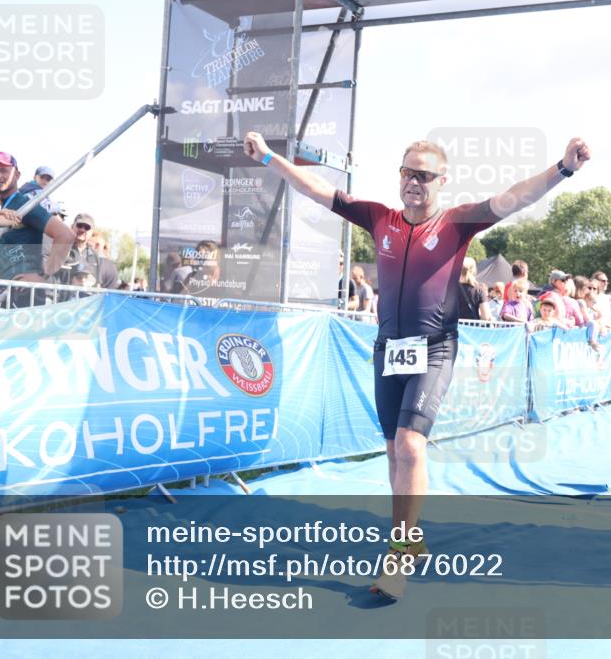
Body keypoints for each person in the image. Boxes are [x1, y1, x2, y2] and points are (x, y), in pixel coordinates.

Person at [243, 129, 591, 599]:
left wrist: (563, 168)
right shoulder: (380, 218)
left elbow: (513, 198)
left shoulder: (457, 223)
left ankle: (400, 551)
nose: (413, 182)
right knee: (393, 452)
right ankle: (411, 533)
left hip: (434, 348)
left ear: (441, 181)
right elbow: (318, 189)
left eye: (423, 175)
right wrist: (268, 158)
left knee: (409, 445)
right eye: (407, 172)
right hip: (388, 348)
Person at [0, 152, 74, 307]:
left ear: (17, 175)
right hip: (3, 303)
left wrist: (43, 276)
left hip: (26, 302)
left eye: (4, 170)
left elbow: (65, 235)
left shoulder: (23, 205)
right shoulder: (4, 211)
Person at [457, 256, 491, 321]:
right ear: (473, 270)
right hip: (472, 329)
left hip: (454, 327)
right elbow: (485, 317)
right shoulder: (479, 290)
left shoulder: (451, 288)